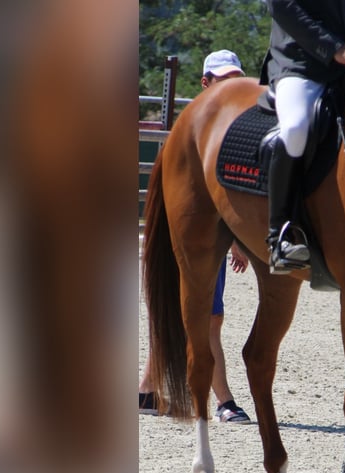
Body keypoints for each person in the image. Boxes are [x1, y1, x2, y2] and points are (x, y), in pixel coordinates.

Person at [139, 50, 252, 423]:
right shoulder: (205, 132)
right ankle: (224, 401)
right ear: (206, 83)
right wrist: (236, 240)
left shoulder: (215, 130)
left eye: (236, 77)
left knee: (181, 311)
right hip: (196, 237)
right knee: (209, 319)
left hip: (201, 236)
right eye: (223, 79)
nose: (231, 84)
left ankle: (147, 390)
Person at [261, 0, 345, 274]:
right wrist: (334, 49)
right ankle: (279, 236)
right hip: (300, 62)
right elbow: (282, 6)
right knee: (296, 128)